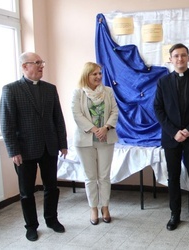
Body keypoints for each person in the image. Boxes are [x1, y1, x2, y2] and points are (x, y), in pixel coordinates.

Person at [0, 52, 68, 241]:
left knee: (51, 187)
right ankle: (31, 226)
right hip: (24, 150)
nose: (41, 66)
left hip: (49, 147)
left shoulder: (50, 89)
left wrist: (62, 143)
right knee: (26, 192)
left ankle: (52, 220)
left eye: (42, 62)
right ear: (24, 66)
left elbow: (58, 119)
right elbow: (7, 124)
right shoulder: (11, 90)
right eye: (37, 63)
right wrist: (13, 150)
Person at [154, 43, 189, 231]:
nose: (180, 59)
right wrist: (173, 132)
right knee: (173, 178)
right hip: (171, 138)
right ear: (170, 59)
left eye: (183, 55)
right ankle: (174, 215)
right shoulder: (163, 82)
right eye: (176, 56)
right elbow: (158, 109)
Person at [71, 62, 119, 226]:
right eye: (94, 74)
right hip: (85, 141)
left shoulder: (108, 91)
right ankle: (93, 208)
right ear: (86, 75)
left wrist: (105, 128)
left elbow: (114, 111)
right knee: (90, 177)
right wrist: (94, 129)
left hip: (106, 139)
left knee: (104, 176)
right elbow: (77, 114)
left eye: (100, 73)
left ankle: (105, 207)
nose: (99, 77)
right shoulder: (78, 93)